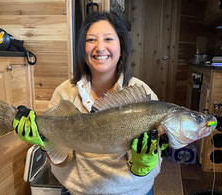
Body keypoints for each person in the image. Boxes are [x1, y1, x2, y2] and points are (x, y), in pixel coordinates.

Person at [13, 11, 168, 195]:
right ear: (81, 48)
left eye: (109, 39)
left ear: (122, 47)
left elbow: (153, 160)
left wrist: (142, 166)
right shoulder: (65, 92)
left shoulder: (144, 94)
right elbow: (61, 160)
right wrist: (46, 142)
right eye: (91, 40)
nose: (100, 47)